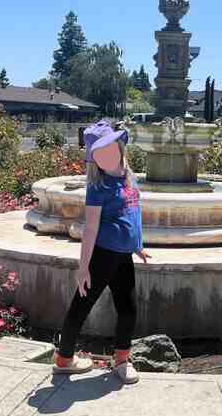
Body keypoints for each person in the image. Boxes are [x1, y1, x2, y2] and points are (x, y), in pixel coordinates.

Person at [53, 119, 151, 383]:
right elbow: (91, 229)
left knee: (129, 308)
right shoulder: (98, 186)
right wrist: (83, 267)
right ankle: (64, 359)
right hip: (103, 255)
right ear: (93, 158)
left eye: (110, 148)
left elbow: (134, 213)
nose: (107, 155)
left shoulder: (128, 177)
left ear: (120, 146)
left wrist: (138, 244)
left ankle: (121, 361)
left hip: (124, 256)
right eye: (100, 151)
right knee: (81, 306)